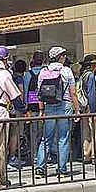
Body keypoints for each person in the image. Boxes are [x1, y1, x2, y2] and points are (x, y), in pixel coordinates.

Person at [35, 46, 80, 177]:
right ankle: (62, 169)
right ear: (60, 57)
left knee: (46, 138)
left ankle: (40, 168)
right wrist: (77, 110)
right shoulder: (66, 71)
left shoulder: (43, 71)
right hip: (64, 106)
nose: (65, 58)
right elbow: (73, 93)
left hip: (49, 107)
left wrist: (41, 110)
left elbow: (39, 94)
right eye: (64, 56)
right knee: (63, 138)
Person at [0, 46, 24, 189]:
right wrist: (23, 109)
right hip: (0, 111)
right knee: (0, 148)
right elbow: (15, 96)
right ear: (5, 59)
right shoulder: (4, 74)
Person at [78, 55, 96, 163]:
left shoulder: (82, 75)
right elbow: (92, 93)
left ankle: (86, 154)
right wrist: (93, 111)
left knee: (86, 132)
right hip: (92, 107)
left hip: (84, 106)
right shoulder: (91, 76)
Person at [8, 58, 27, 170]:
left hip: (10, 108)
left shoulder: (11, 77)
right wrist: (23, 105)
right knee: (16, 133)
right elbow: (21, 92)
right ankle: (12, 157)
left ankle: (12, 156)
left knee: (11, 133)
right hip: (17, 108)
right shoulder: (19, 78)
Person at [24, 51, 45, 150]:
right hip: (45, 106)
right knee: (44, 132)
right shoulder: (46, 72)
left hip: (31, 107)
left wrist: (25, 107)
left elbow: (25, 91)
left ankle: (34, 154)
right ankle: (43, 153)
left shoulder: (28, 75)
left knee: (33, 132)